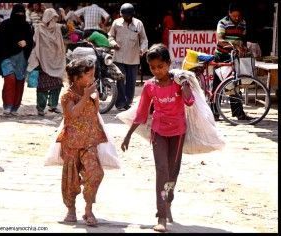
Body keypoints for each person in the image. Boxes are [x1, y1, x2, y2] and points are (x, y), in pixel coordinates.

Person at [121, 44, 195, 232]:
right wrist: (128, 135)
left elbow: (190, 101)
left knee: (172, 173)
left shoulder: (178, 82)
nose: (157, 71)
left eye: (160, 66)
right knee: (162, 170)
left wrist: (185, 84)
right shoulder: (149, 86)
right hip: (159, 132)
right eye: (153, 67)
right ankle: (161, 215)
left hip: (178, 133)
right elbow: (141, 112)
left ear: (168, 64)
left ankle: (168, 201)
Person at [56, 55, 107, 226]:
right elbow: (72, 113)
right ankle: (71, 210)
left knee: (96, 173)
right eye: (90, 75)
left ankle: (88, 209)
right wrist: (86, 96)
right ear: (77, 78)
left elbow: (95, 112)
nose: (93, 79)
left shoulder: (91, 93)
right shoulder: (67, 95)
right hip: (71, 143)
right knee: (71, 179)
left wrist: (93, 98)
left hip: (89, 141)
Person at [0, 3, 34, 116]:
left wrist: (26, 43)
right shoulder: (5, 25)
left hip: (21, 59)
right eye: (17, 13)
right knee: (10, 79)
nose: (19, 15)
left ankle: (15, 107)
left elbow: (31, 42)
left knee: (19, 82)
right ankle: (7, 106)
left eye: (21, 13)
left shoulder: (27, 26)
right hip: (6, 57)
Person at [212, 2, 253, 121]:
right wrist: (234, 46)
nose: (236, 18)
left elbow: (243, 39)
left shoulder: (243, 23)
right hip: (221, 56)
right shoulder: (223, 23)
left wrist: (244, 48)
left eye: (238, 16)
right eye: (234, 16)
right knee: (217, 86)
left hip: (234, 56)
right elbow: (220, 40)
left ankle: (239, 113)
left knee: (234, 84)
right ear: (229, 13)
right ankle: (214, 113)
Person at [108, 3, 148, 111]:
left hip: (133, 57)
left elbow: (144, 39)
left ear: (132, 14)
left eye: (128, 16)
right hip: (119, 56)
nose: (126, 18)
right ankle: (120, 103)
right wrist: (113, 43)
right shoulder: (116, 23)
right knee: (120, 79)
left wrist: (142, 49)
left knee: (131, 82)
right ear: (121, 14)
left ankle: (128, 102)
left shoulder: (138, 24)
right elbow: (110, 36)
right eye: (124, 16)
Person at [27, 8, 66, 116]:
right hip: (42, 60)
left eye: (55, 18)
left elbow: (69, 30)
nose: (54, 20)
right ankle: (40, 108)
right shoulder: (39, 28)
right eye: (52, 18)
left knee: (57, 84)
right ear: (47, 17)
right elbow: (34, 42)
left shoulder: (58, 28)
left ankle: (53, 106)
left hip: (55, 60)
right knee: (42, 87)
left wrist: (64, 17)